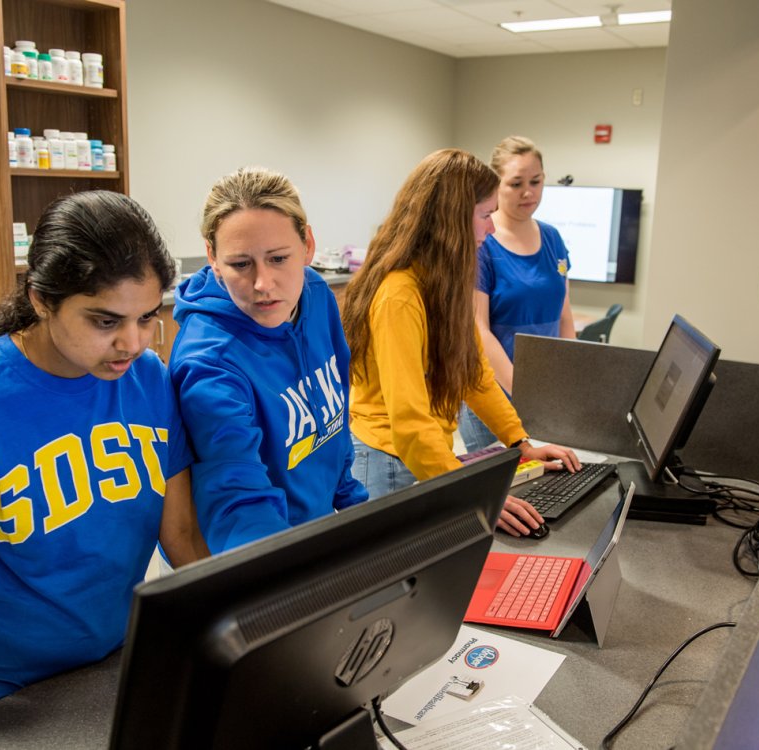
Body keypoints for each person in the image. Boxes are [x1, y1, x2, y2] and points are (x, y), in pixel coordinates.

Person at [0, 191, 205, 723]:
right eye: (104, 321)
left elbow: (181, 535)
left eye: (147, 317)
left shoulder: (148, 381)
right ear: (42, 300)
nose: (133, 342)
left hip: (112, 669)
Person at [342, 148, 581, 537]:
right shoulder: (400, 295)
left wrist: (520, 443)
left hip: (421, 451)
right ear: (452, 219)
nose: (490, 228)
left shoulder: (444, 281)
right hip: (386, 460)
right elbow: (409, 422)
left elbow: (475, 375)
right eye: (485, 215)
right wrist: (476, 495)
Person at [169, 167, 368, 554]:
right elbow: (237, 494)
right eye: (240, 264)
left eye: (278, 259)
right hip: (252, 557)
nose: (263, 284)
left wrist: (352, 505)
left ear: (307, 244)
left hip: (313, 531)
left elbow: (335, 420)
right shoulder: (209, 362)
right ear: (212, 257)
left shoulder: (314, 293)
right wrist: (283, 575)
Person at [459, 135, 576, 453]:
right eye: (515, 184)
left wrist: (568, 382)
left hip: (544, 396)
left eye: (536, 181)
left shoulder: (553, 238)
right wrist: (524, 394)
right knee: (502, 496)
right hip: (494, 395)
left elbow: (564, 318)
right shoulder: (483, 241)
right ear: (495, 186)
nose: (528, 192)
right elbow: (478, 331)